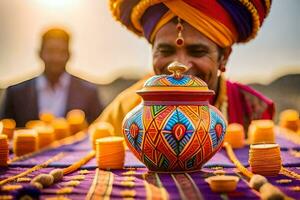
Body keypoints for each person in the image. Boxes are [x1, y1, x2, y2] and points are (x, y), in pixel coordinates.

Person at [97, 0, 275, 136]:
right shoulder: (124, 111)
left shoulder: (252, 110)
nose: (179, 65)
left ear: (224, 57)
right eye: (166, 51)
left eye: (197, 52)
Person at [0, 28, 103, 127]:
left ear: (69, 55)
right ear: (40, 53)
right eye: (50, 51)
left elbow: (98, 130)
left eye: (61, 52)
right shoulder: (15, 93)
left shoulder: (89, 93)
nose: (56, 58)